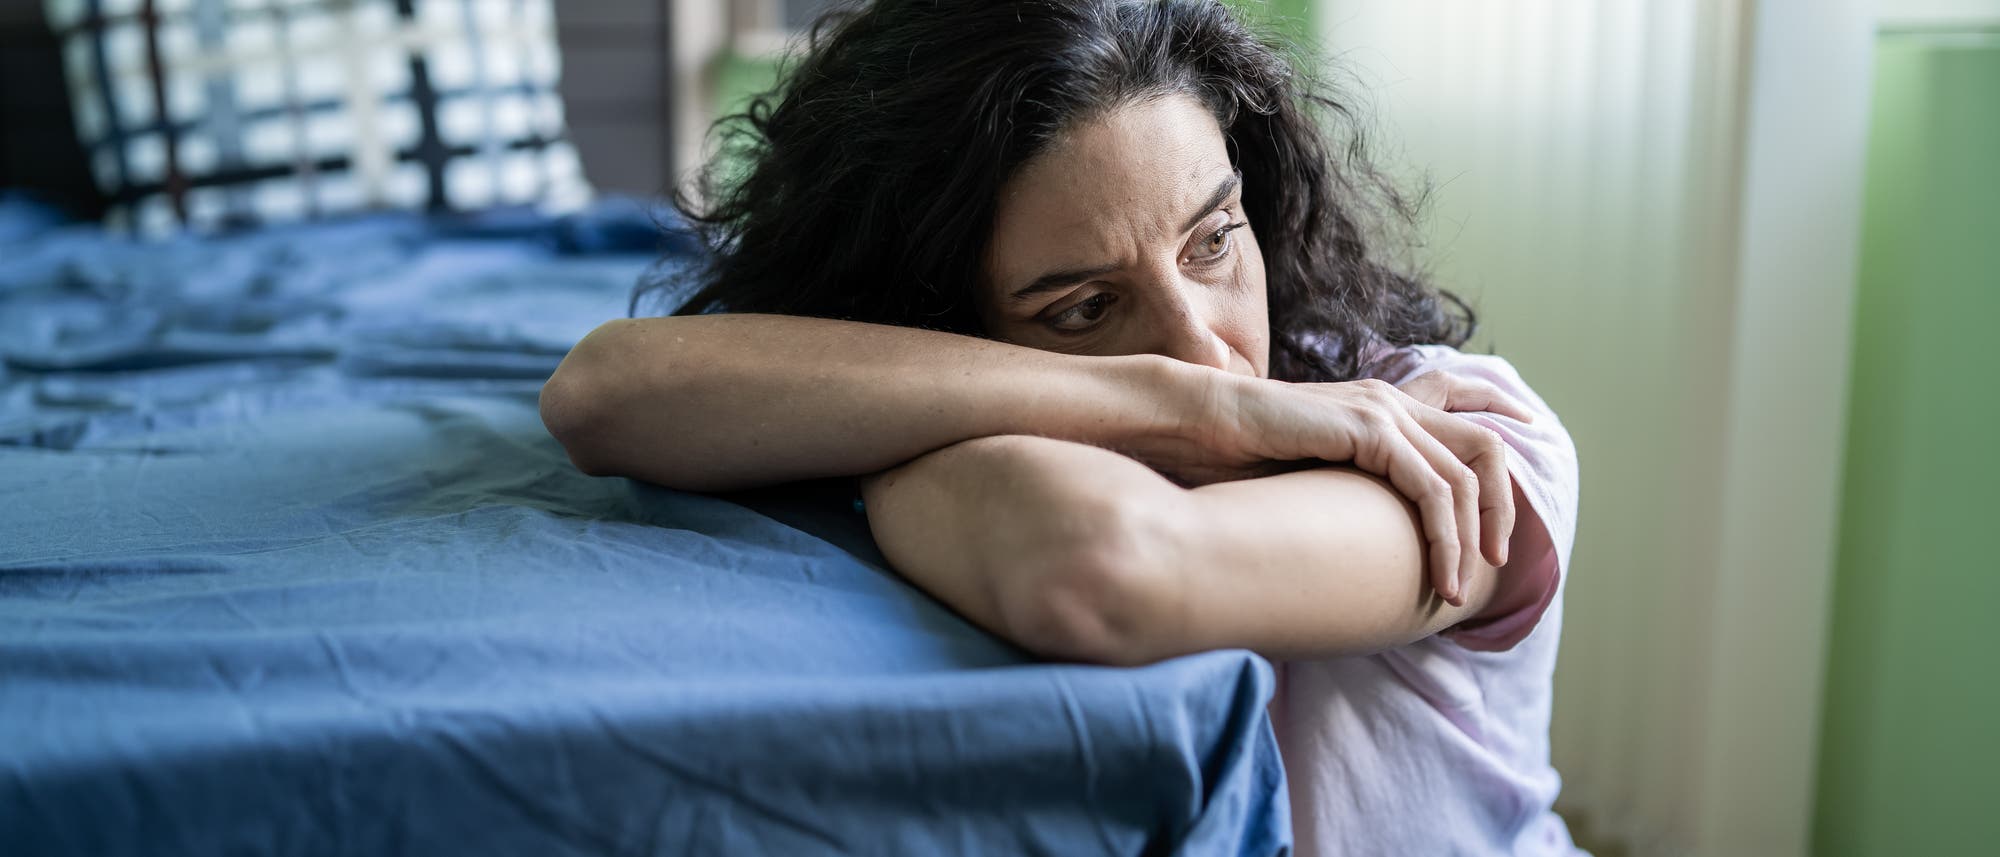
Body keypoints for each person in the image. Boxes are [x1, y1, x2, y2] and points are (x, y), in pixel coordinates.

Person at [539, 1, 1583, 854]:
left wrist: (881, 420)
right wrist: (1190, 408)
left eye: (1214, 241)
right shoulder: (1181, 388)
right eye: (1084, 308)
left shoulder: (1458, 441)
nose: (1203, 350)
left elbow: (1100, 565)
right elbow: (600, 393)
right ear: (946, 323)